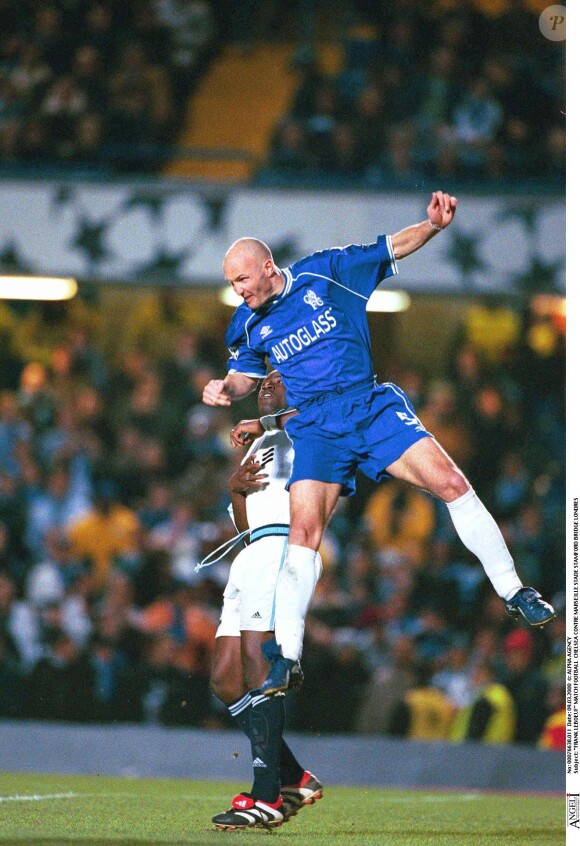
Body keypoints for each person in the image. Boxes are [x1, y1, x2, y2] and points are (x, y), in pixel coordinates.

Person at [203, 190, 555, 693]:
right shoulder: (247, 323)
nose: (238, 291)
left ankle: (515, 591)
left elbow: (391, 247)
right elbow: (244, 377)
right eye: (231, 284)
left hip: (368, 407)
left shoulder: (325, 272)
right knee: (303, 535)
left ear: (266, 266)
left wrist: (432, 227)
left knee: (451, 482)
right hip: (315, 427)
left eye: (241, 279)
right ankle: (287, 657)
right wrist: (224, 388)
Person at [209, 370, 323, 830]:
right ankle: (294, 777)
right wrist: (236, 490)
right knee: (224, 678)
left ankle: (267, 795)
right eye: (262, 384)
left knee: (260, 663)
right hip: (252, 553)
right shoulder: (260, 445)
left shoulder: (307, 431)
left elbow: (318, 414)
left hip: (283, 550)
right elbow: (246, 524)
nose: (267, 387)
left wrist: (266, 423)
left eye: (279, 380)